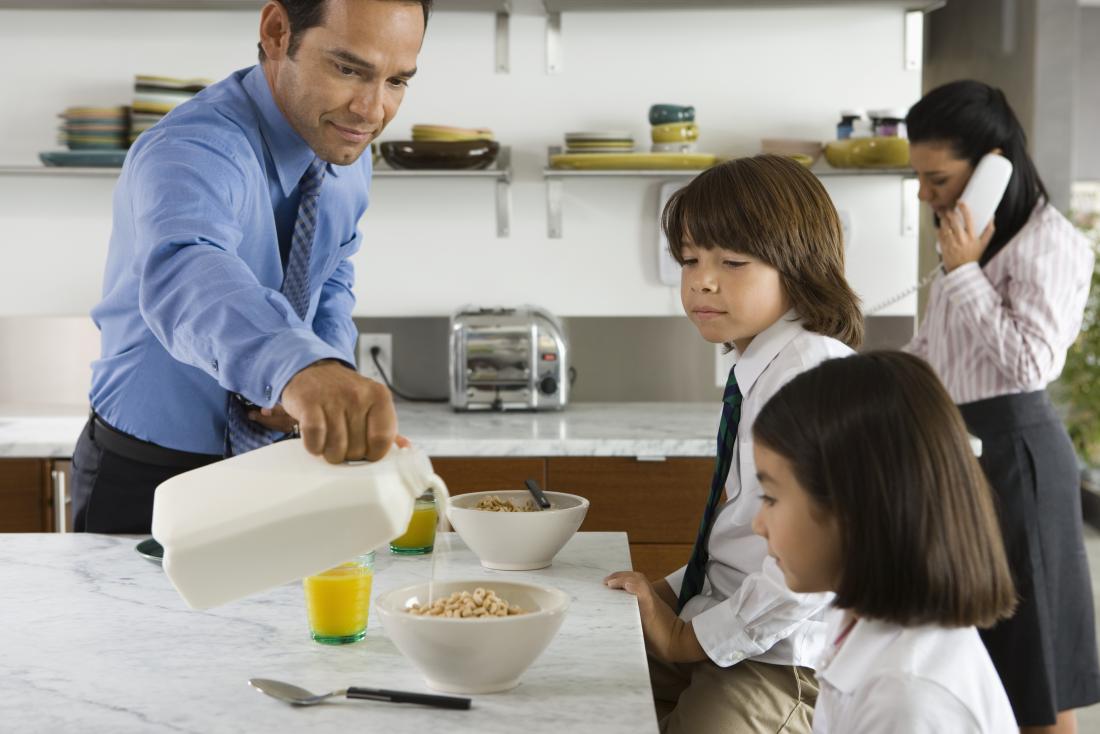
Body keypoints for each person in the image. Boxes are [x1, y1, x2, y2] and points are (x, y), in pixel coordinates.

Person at [72, 0, 432, 534]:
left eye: (397, 81)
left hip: (277, 465)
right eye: (348, 69)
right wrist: (298, 369)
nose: (372, 110)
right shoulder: (190, 147)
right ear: (277, 31)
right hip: (150, 478)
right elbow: (188, 270)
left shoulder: (344, 145)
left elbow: (331, 274)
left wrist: (323, 364)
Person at [604, 154, 864, 734]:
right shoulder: (762, 364)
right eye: (690, 259)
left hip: (781, 663)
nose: (702, 279)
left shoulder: (810, 377)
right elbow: (741, 538)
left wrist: (685, 636)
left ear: (800, 267)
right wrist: (665, 594)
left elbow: (813, 568)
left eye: (733, 261)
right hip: (729, 628)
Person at [905, 79, 1100, 733]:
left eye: (938, 179)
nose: (927, 196)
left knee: (1033, 680)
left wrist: (963, 272)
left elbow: (1031, 365)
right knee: (974, 669)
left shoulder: (1050, 243)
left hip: (1017, 457)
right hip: (961, 455)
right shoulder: (974, 241)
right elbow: (937, 353)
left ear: (993, 163)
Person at [751, 350, 1019, 733]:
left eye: (771, 498)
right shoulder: (858, 620)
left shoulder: (907, 702)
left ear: (851, 509)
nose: (758, 524)